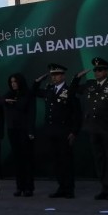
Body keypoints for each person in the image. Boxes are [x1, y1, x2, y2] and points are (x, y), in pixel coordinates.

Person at [74, 57, 108, 200]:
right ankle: (104, 187)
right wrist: (77, 77)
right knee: (99, 159)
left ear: (107, 71)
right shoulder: (90, 85)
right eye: (96, 70)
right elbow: (74, 90)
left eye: (100, 70)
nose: (97, 72)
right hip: (93, 128)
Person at [32, 63, 81, 199]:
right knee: (56, 161)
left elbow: (77, 114)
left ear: (63, 76)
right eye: (52, 75)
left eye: (57, 74)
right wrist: (39, 80)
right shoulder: (49, 89)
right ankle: (61, 187)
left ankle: (69, 189)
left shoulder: (69, 90)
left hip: (64, 130)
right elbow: (34, 92)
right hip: (51, 130)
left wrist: (74, 131)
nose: (54, 77)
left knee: (66, 161)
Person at [4, 73, 36, 197]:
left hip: (25, 130)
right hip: (13, 130)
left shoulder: (28, 94)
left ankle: (29, 187)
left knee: (27, 159)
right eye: (11, 82)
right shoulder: (9, 94)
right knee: (17, 160)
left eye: (15, 81)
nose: (13, 84)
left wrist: (31, 131)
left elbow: (31, 113)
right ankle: (19, 187)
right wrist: (6, 100)